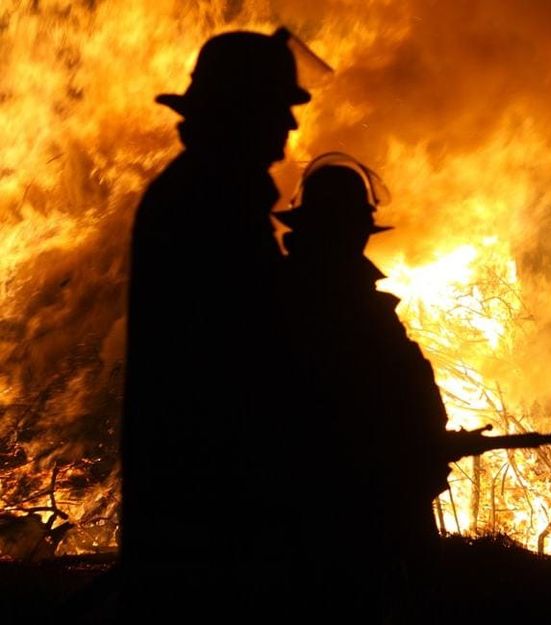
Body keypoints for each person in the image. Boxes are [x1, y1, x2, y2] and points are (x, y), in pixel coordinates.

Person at [121, 29, 310, 620]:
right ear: (242, 112)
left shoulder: (210, 193)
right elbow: (246, 356)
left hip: (200, 499)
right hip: (209, 507)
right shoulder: (209, 203)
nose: (291, 126)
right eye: (278, 108)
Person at [276, 154, 449, 622]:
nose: (358, 240)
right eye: (353, 227)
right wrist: (413, 453)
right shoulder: (325, 304)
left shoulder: (309, 293)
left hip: (363, 509)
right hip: (350, 520)